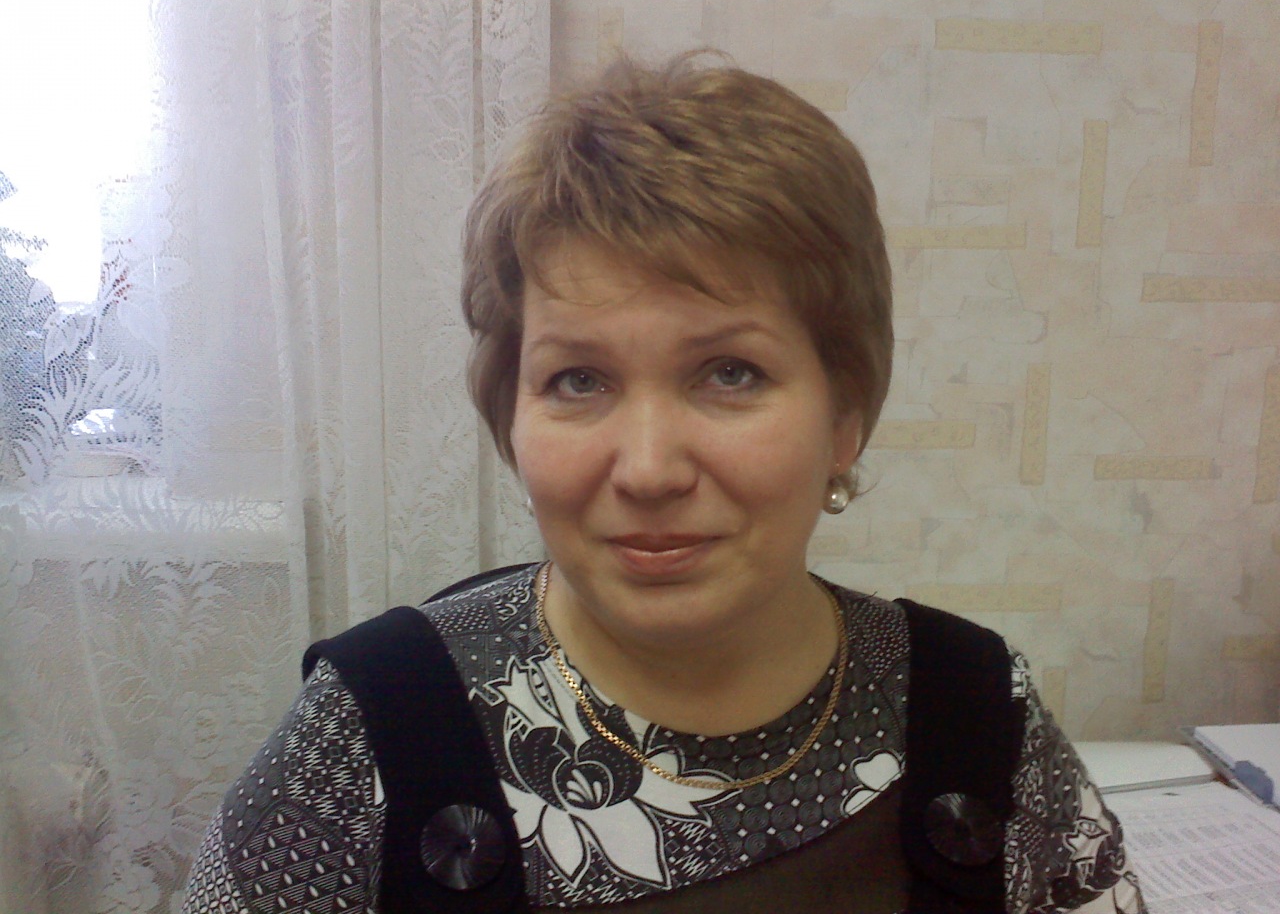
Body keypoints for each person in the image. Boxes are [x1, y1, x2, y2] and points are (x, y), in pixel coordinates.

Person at [182, 54, 1146, 914]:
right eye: (578, 380)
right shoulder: (372, 727)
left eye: (730, 373)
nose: (647, 470)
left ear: (844, 416)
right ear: (511, 417)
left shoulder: (974, 713)